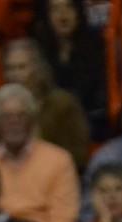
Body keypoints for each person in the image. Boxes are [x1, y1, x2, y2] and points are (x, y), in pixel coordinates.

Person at [0, 83, 80, 222]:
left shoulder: (59, 159)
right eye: (7, 116)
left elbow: (65, 216)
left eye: (21, 115)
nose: (14, 122)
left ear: (32, 119)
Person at [0, 37, 90, 171]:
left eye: (21, 67)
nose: (15, 75)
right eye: (10, 68)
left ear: (37, 69)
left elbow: (79, 155)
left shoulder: (62, 104)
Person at [32, 0, 107, 139]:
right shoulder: (39, 49)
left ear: (79, 12)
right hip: (48, 121)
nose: (63, 15)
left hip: (90, 119)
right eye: (55, 9)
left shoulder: (97, 47)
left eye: (69, 7)